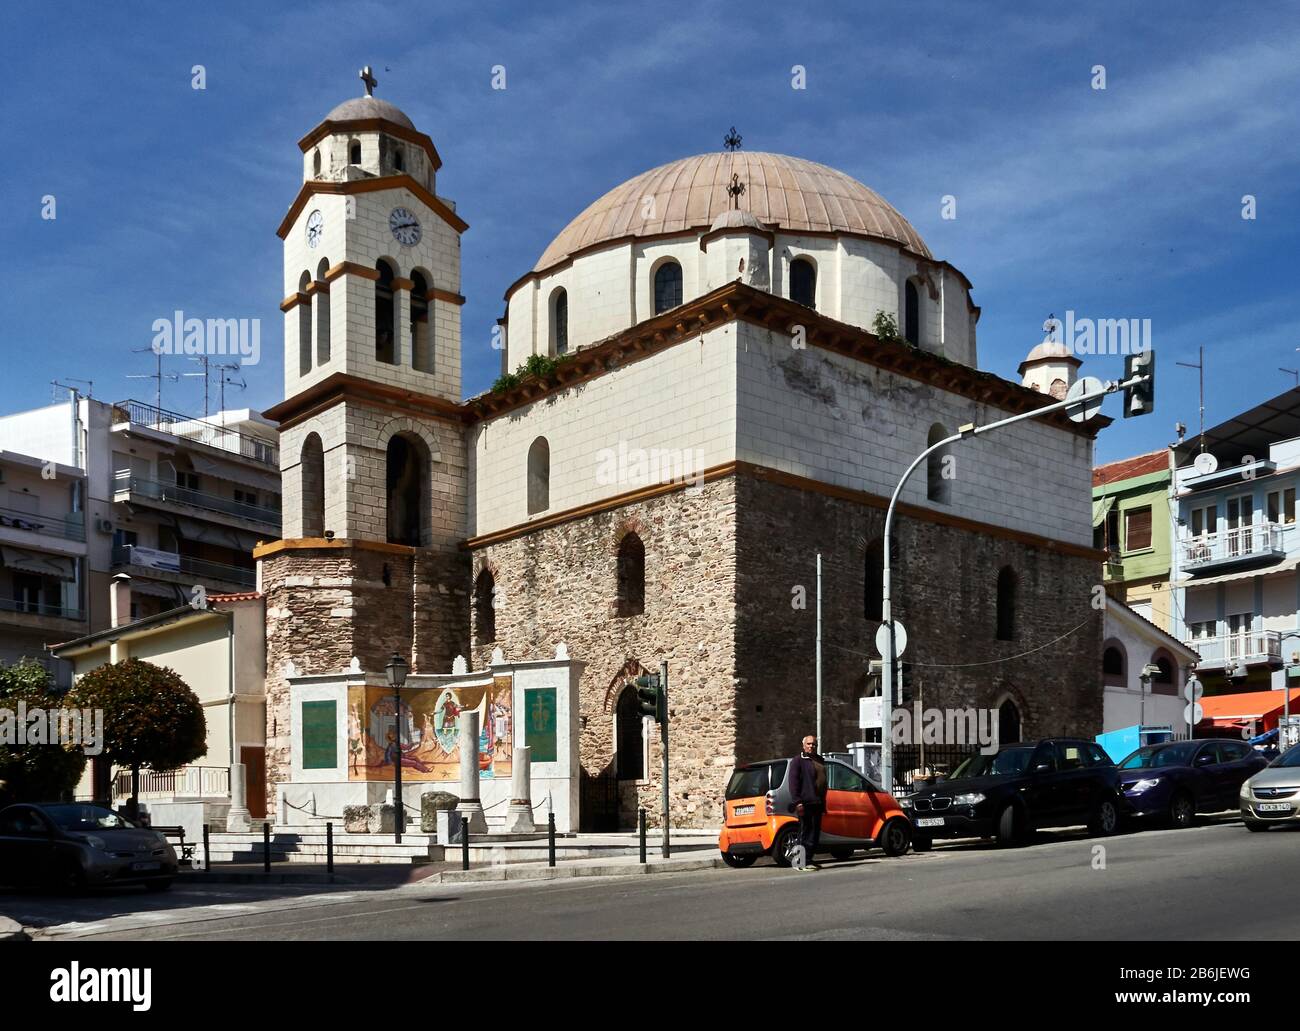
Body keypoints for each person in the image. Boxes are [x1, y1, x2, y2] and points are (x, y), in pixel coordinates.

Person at [787, 733, 828, 870]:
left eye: (814, 744)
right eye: (809, 744)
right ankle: (800, 862)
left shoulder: (819, 760)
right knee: (805, 832)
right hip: (805, 803)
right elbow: (793, 784)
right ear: (803, 745)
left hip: (817, 802)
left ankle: (809, 859)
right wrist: (798, 802)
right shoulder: (797, 761)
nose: (811, 746)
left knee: (814, 833)